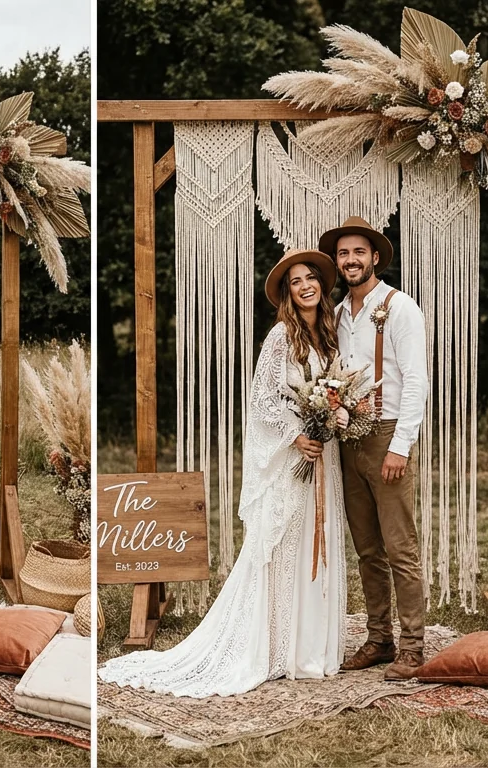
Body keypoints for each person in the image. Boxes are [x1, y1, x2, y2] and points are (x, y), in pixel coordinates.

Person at [98, 249, 347, 698]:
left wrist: (334, 417)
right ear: (287, 293)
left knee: (317, 541)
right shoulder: (279, 338)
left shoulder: (329, 337)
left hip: (323, 459)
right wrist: (297, 436)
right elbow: (263, 403)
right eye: (296, 281)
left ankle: (308, 648)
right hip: (292, 459)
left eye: (311, 277)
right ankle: (272, 647)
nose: (306, 285)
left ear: (322, 285)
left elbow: (336, 391)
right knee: (281, 549)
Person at [319, 215, 429, 680]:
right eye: (343, 254)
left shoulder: (400, 308)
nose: (350, 260)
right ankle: (380, 638)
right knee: (367, 549)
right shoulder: (338, 313)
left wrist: (401, 446)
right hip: (350, 440)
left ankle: (413, 645)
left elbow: (417, 381)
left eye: (358, 252)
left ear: (375, 258)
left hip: (387, 436)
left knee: (400, 546)